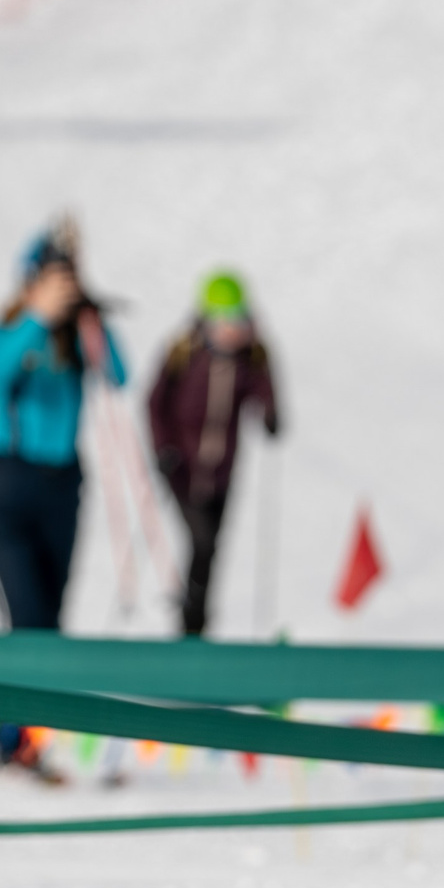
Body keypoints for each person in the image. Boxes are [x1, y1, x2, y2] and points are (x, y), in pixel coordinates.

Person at [0, 224, 126, 777]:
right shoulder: (13, 330)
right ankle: (9, 738)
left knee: (50, 622)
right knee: (26, 620)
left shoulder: (75, 335)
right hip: (8, 484)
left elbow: (118, 374)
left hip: (62, 487)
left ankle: (29, 735)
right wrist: (39, 314)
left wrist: (90, 317)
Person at [146, 272, 280, 638]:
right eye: (224, 320)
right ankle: (191, 617)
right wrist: (163, 447)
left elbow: (264, 391)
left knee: (211, 547)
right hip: (182, 469)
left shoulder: (248, 360)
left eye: (238, 320)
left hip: (222, 471)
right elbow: (155, 403)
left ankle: (197, 622)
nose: (231, 329)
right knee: (201, 539)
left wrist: (270, 414)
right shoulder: (183, 355)